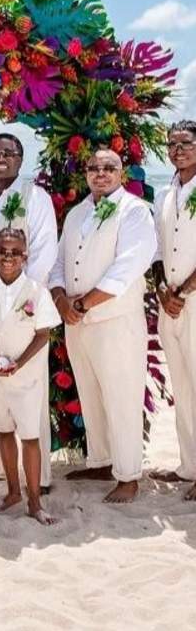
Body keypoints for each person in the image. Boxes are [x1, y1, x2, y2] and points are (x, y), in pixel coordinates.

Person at [49, 149, 156, 503]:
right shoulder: (78, 211)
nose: (101, 173)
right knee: (90, 392)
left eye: (109, 168)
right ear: (86, 174)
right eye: (94, 168)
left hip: (115, 321)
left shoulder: (135, 211)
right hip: (77, 321)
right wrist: (62, 299)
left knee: (122, 396)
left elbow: (128, 267)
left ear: (121, 173)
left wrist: (83, 303)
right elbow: (59, 262)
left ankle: (128, 475)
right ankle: (100, 460)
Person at [0, 133, 58, 488]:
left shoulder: (36, 198)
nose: (0, 157)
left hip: (25, 307)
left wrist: (22, 299)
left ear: (21, 159)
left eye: (8, 152)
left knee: (29, 388)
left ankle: (39, 477)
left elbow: (44, 251)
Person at [0, 228, 60, 525]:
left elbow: (44, 334)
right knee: (3, 431)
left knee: (30, 437)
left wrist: (18, 363)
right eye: (3, 252)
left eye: (15, 252)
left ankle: (34, 501)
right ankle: (13, 492)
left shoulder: (36, 292)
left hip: (26, 377)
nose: (8, 258)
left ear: (25, 257)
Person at [150, 120, 196, 498]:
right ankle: (189, 465)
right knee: (181, 384)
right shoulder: (166, 194)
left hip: (194, 300)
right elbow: (157, 251)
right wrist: (163, 290)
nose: (177, 149)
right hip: (171, 305)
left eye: (186, 143)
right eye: (172, 143)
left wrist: (184, 289)